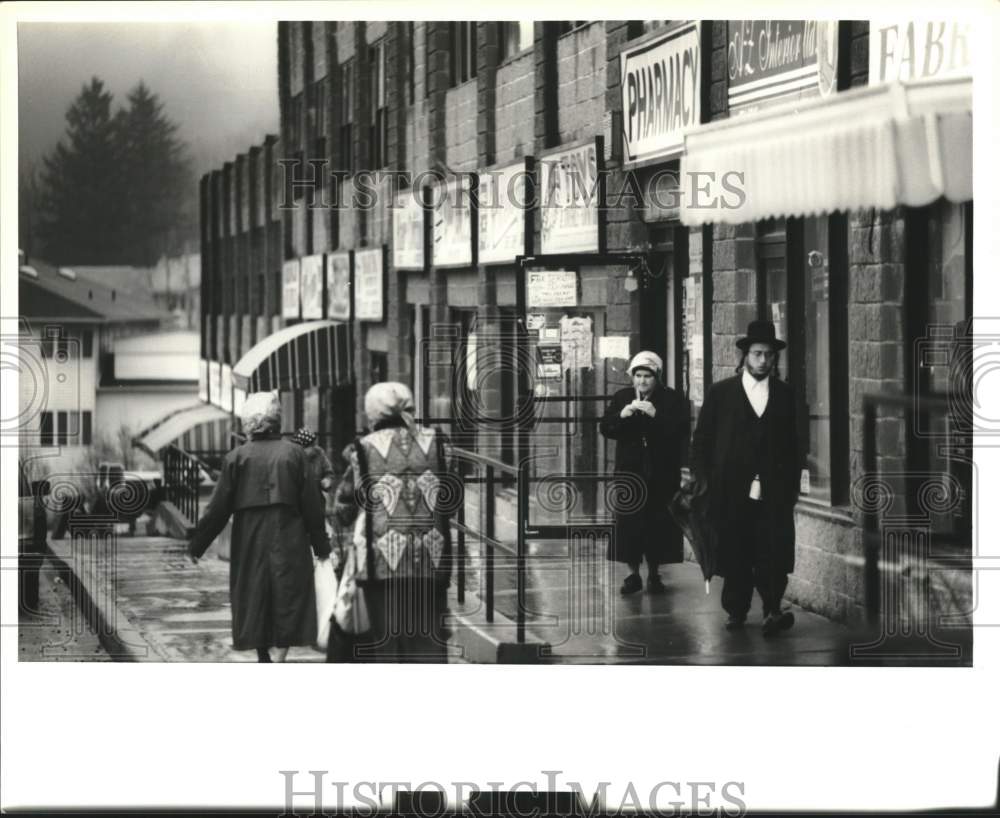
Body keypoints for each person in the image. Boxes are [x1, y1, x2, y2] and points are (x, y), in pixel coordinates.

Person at [187, 392, 330, 662]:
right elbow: (313, 506)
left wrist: (197, 545)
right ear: (277, 420)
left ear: (248, 423)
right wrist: (322, 546)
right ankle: (280, 654)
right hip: (289, 534)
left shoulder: (236, 458)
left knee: (254, 594)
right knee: (288, 592)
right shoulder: (295, 454)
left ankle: (262, 651)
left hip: (250, 536)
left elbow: (217, 509)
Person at [690, 320, 806, 636]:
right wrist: (705, 480)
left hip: (774, 490)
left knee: (773, 551)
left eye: (769, 355)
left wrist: (791, 486)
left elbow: (796, 443)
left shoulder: (785, 394)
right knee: (736, 551)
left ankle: (772, 608)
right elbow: (701, 441)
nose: (763, 361)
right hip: (730, 490)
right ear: (744, 356)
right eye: (757, 354)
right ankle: (736, 612)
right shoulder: (721, 393)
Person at [330, 382, 454, 662]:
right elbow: (451, 501)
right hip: (430, 560)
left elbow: (345, 507)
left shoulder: (362, 449)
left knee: (387, 641)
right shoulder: (438, 441)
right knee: (429, 640)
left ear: (372, 411)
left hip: (382, 563)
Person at [599, 351, 689, 595]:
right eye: (637, 375)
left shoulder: (670, 399)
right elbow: (605, 427)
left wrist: (656, 415)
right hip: (630, 471)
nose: (642, 381)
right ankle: (632, 574)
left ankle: (654, 573)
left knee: (657, 523)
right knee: (629, 524)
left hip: (661, 472)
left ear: (656, 377)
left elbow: (680, 430)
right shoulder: (622, 397)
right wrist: (622, 415)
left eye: (647, 376)